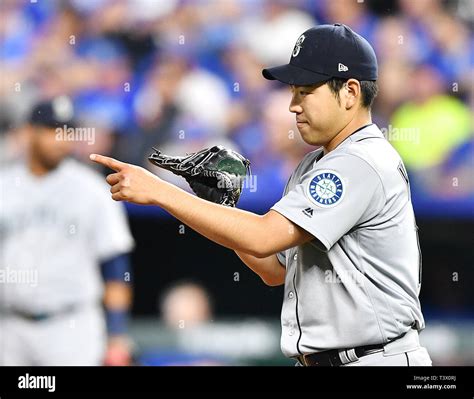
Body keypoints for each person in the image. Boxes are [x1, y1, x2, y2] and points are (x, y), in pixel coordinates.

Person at [90, 24, 432, 366]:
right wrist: (218, 203)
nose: (293, 106)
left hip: (374, 359)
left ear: (350, 92)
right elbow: (273, 269)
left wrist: (160, 191)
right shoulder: (315, 163)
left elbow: (264, 236)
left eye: (305, 91)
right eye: (293, 91)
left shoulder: (360, 160)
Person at [0, 96, 134, 366]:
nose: (60, 139)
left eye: (67, 131)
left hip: (72, 325)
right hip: (9, 325)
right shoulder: (3, 185)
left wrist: (117, 333)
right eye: (51, 130)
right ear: (28, 132)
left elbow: (115, 266)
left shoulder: (93, 190)